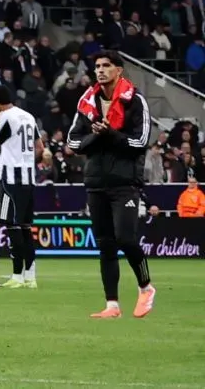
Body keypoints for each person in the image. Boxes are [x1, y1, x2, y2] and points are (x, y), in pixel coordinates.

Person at [69, 50, 155, 318]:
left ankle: (146, 287)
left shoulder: (135, 101)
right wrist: (97, 136)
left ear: (119, 70)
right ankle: (112, 305)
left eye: (107, 65)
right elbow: (72, 143)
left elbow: (141, 142)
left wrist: (111, 134)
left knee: (125, 238)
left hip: (124, 182)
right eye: (97, 66)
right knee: (105, 244)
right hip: (96, 181)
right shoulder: (87, 102)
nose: (100, 70)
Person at [0, 85, 39, 289]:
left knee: (11, 224)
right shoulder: (29, 117)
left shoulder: (5, 116)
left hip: (9, 178)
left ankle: (17, 275)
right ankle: (30, 275)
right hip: (28, 177)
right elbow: (39, 149)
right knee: (25, 226)